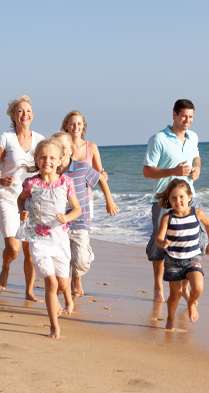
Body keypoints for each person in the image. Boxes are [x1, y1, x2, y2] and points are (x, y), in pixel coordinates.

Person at [16, 138, 81, 339]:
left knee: (63, 285)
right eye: (43, 157)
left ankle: (56, 301)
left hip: (60, 240)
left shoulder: (66, 182)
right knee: (51, 283)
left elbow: (77, 209)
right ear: (36, 159)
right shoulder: (31, 183)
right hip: (39, 240)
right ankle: (54, 327)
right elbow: (21, 199)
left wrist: (67, 217)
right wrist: (22, 211)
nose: (47, 161)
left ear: (60, 160)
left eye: (52, 158)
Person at [143, 99, 204, 303]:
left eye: (191, 117)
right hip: (163, 199)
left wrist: (197, 169)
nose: (187, 120)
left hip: (189, 197)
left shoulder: (193, 137)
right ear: (174, 115)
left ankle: (184, 288)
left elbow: (196, 157)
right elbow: (147, 171)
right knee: (160, 243)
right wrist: (173, 171)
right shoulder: (158, 139)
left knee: (192, 241)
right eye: (184, 116)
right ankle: (158, 286)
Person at [0, 95, 45, 301]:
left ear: (33, 115)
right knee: (14, 248)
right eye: (20, 111)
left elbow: (49, 166)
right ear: (12, 116)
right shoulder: (5, 138)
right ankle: (6, 266)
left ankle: (29, 291)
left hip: (31, 201)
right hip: (7, 197)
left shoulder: (40, 140)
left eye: (28, 111)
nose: (24, 114)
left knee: (29, 250)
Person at [61, 111, 119, 296]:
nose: (75, 127)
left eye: (79, 124)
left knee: (81, 236)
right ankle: (66, 279)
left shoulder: (91, 147)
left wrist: (108, 196)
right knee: (65, 241)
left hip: (85, 200)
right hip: (63, 202)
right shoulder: (62, 147)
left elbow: (100, 174)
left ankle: (77, 278)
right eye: (72, 124)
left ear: (83, 126)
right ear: (66, 126)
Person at [155, 179, 209, 330]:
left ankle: (191, 303)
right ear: (169, 200)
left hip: (193, 258)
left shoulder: (197, 213)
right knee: (175, 294)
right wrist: (162, 242)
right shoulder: (167, 217)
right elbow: (158, 238)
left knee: (198, 287)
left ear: (189, 197)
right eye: (174, 198)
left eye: (181, 197)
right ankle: (170, 317)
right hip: (173, 260)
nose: (178, 201)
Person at [52, 131, 102, 297]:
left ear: (71, 150)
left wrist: (109, 201)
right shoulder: (52, 172)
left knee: (80, 261)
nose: (61, 151)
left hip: (81, 220)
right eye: (57, 147)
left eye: (63, 147)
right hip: (59, 223)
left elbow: (100, 179)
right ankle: (65, 288)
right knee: (63, 258)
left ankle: (84, 257)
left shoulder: (82, 167)